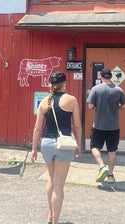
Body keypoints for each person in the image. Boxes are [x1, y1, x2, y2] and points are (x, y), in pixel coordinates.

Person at [30, 72, 82, 224]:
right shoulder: (71, 100)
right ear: (65, 83)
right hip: (63, 144)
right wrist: (78, 144)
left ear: (50, 84)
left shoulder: (45, 101)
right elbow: (77, 125)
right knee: (59, 184)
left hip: (46, 143)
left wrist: (34, 149)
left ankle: (50, 215)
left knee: (52, 179)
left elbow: (37, 128)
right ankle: (55, 222)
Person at [87, 68, 125, 183]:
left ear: (101, 77)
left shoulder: (96, 89)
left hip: (99, 125)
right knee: (112, 150)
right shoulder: (119, 90)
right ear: (110, 77)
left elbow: (90, 106)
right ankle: (110, 175)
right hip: (114, 126)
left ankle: (101, 167)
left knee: (94, 146)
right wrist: (116, 107)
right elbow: (124, 106)